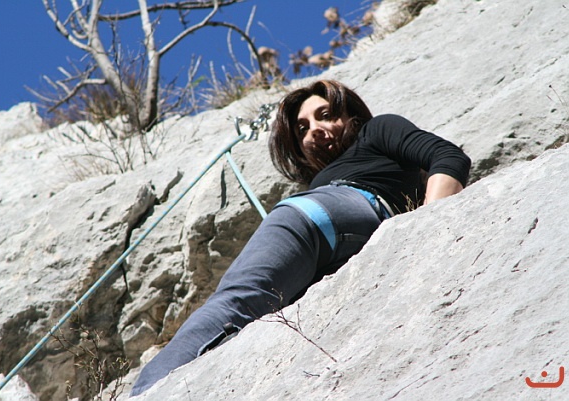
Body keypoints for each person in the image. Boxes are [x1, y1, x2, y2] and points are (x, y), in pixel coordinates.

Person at [130, 80, 471, 396]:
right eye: (303, 128)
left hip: (324, 215)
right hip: (342, 228)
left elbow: (448, 156)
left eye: (326, 115)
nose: (314, 130)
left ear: (351, 117)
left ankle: (146, 391)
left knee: (236, 302)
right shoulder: (323, 178)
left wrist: (425, 224)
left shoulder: (377, 130)